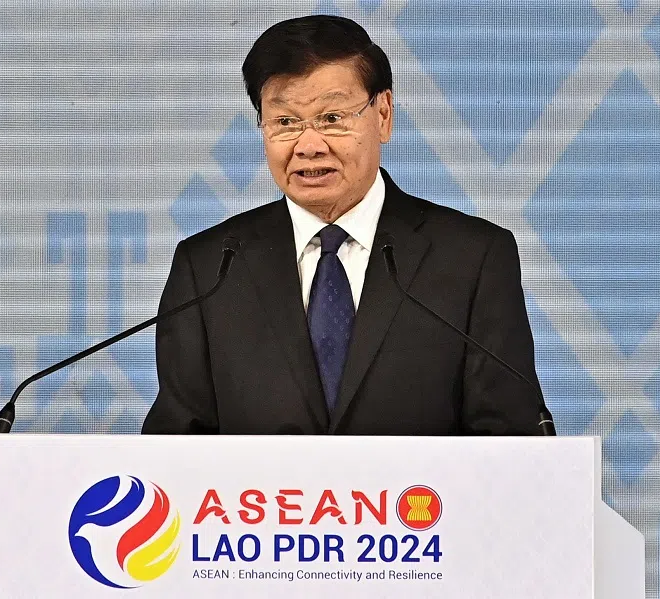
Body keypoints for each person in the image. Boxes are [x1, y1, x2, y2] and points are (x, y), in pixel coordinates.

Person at [141, 15, 544, 436]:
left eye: (332, 118)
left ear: (384, 114)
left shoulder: (472, 258)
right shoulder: (209, 268)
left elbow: (512, 441)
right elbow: (173, 454)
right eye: (285, 122)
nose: (309, 146)